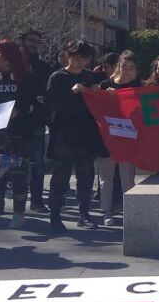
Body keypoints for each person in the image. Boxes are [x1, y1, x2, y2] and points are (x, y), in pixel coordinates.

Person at [45, 40, 107, 233]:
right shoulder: (57, 77)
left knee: (86, 176)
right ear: (68, 56)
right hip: (64, 135)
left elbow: (98, 104)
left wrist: (97, 92)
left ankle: (84, 214)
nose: (80, 62)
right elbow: (52, 106)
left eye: (84, 58)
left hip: (85, 135)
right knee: (60, 176)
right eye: (76, 58)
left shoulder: (89, 77)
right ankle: (54, 215)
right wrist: (72, 93)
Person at [0, 39, 39, 229]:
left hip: (20, 135)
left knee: (19, 175)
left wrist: (21, 111)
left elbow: (34, 104)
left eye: (3, 53)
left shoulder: (25, 78)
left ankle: (18, 214)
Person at [98, 50, 141, 226]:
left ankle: (128, 211)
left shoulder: (139, 87)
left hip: (128, 140)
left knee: (127, 178)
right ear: (118, 67)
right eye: (124, 67)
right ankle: (106, 212)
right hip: (107, 139)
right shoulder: (105, 85)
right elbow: (97, 107)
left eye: (131, 68)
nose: (127, 71)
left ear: (136, 70)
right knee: (106, 178)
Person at [18, 29, 52, 213]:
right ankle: (16, 205)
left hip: (35, 125)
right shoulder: (12, 65)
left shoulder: (43, 68)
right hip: (13, 125)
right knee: (13, 165)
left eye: (37, 42)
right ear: (22, 40)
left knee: (37, 165)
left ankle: (37, 201)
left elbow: (46, 95)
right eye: (30, 40)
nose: (33, 44)